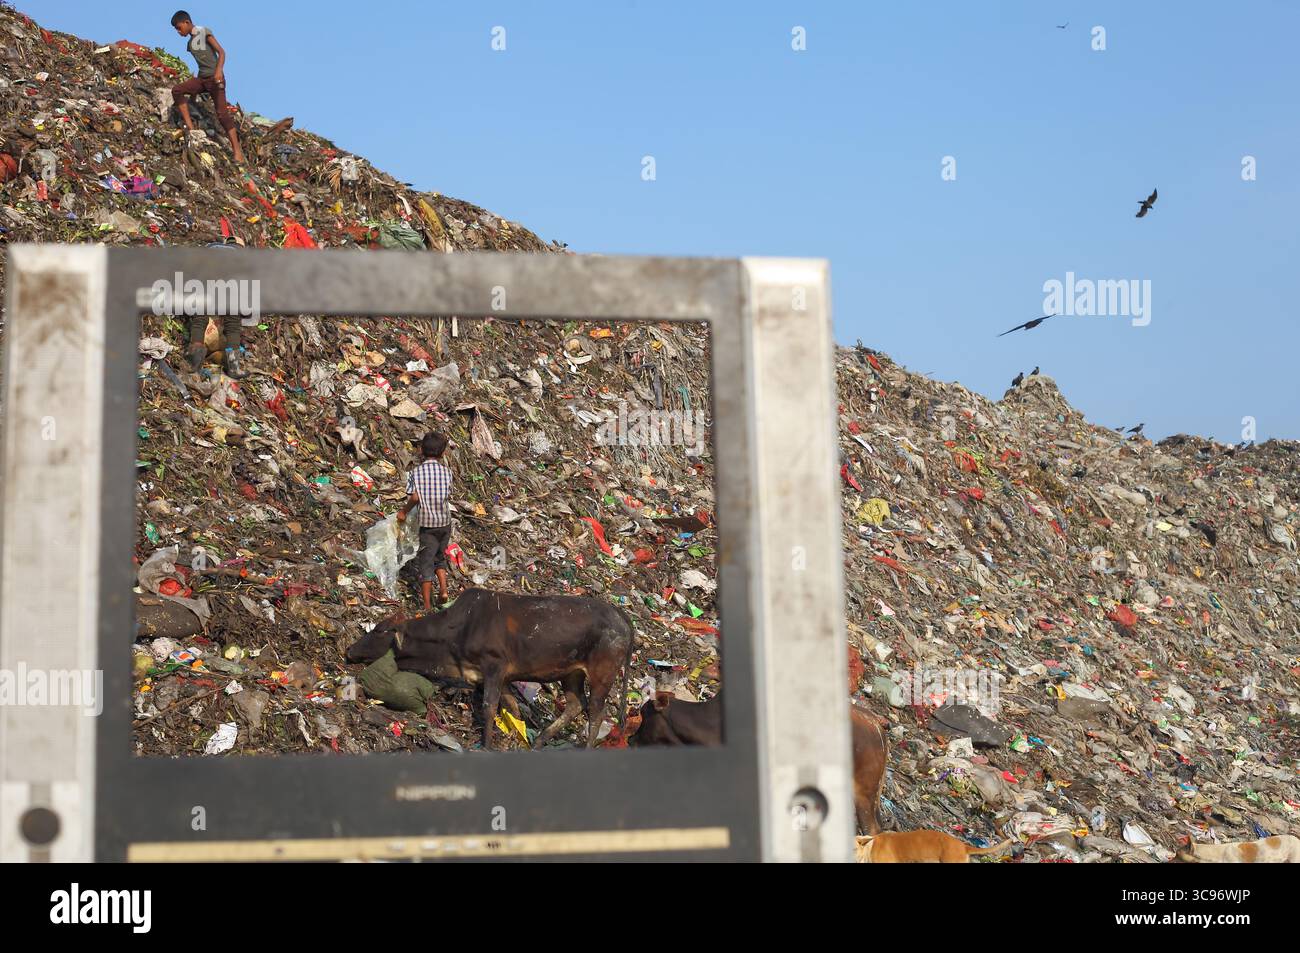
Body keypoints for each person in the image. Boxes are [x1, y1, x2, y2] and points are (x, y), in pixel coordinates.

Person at [169, 10, 246, 166]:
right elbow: (202, 65)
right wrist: (193, 94)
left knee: (222, 115)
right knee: (177, 90)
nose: (178, 32)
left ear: (187, 23)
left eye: (179, 27)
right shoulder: (190, 44)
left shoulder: (204, 32)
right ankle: (190, 128)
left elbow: (222, 52)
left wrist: (218, 71)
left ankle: (238, 153)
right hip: (203, 79)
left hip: (216, 79)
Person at [397, 433, 454, 611]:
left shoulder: (415, 473)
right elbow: (448, 494)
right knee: (440, 557)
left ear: (421, 450)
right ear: (443, 453)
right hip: (445, 522)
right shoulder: (447, 472)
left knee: (426, 564)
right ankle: (443, 590)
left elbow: (414, 497)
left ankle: (427, 607)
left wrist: (403, 512)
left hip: (427, 525)